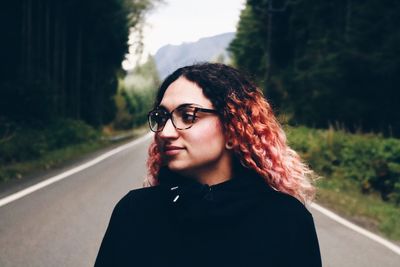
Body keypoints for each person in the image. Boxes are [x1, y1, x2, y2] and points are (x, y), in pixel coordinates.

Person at [94, 63, 322, 267]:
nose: (165, 132)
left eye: (189, 115)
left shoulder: (287, 221)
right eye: (162, 117)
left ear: (234, 128)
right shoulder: (135, 211)